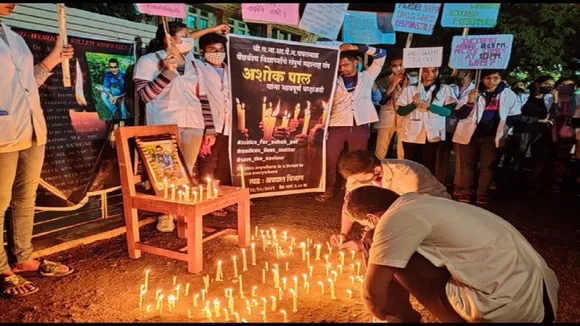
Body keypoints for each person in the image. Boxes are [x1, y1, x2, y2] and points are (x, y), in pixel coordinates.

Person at [346, 186, 559, 323]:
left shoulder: (395, 218)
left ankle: (398, 318)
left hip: (504, 308)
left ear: (372, 217)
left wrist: (377, 312)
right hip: (541, 301)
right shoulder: (423, 202)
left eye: (365, 224)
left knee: (374, 241)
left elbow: (371, 293)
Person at [1, 3, 75, 297]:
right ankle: (2, 268)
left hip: (31, 127)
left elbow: (27, 81)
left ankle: (23, 258)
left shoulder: (13, 36)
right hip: (3, 132)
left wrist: (54, 59)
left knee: (24, 196)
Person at [133, 22, 228, 232]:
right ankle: (165, 215)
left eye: (189, 35)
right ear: (169, 39)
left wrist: (209, 129)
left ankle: (183, 214)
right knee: (166, 173)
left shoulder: (193, 63)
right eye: (184, 35)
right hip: (164, 124)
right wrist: (167, 72)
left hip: (194, 124)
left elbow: (202, 97)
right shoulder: (148, 61)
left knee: (185, 172)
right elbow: (145, 95)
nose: (189, 39)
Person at [329, 150, 450, 251]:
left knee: (409, 240)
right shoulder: (356, 178)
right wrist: (343, 234)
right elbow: (350, 206)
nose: (355, 182)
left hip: (427, 208)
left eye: (359, 179)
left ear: (376, 170)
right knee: (361, 209)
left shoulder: (406, 173)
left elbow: (404, 214)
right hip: (395, 207)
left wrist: (367, 243)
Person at [315, 44, 386, 202]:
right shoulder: (333, 80)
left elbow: (382, 54)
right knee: (330, 159)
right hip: (336, 124)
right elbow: (327, 104)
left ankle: (355, 191)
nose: (343, 68)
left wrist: (358, 47)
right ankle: (328, 188)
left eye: (346, 64)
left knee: (358, 161)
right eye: (340, 66)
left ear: (356, 62)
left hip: (360, 125)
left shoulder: (367, 77)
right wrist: (324, 126)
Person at [453, 70, 521, 205]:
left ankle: (482, 193)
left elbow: (514, 115)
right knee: (467, 165)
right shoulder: (472, 92)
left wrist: (505, 128)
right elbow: (460, 114)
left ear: (501, 79)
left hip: (492, 137)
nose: (491, 81)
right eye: (488, 78)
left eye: (495, 78)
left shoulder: (508, 95)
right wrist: (470, 102)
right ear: (482, 79)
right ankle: (466, 191)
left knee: (488, 166)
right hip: (470, 135)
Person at [396, 67, 457, 174]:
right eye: (425, 71)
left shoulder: (445, 89)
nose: (430, 74)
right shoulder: (409, 89)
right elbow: (401, 112)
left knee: (428, 165)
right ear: (420, 72)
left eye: (433, 70)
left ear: (438, 71)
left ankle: (426, 189)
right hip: (411, 134)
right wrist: (413, 104)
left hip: (432, 134)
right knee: (410, 165)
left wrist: (429, 106)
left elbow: (448, 112)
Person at [511, 76, 559, 195]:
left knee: (539, 159)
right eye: (547, 84)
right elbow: (516, 115)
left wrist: (556, 99)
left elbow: (555, 115)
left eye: (552, 85)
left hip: (542, 133)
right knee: (520, 156)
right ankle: (515, 183)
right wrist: (536, 120)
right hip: (524, 131)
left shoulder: (549, 99)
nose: (549, 87)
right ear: (538, 84)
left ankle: (533, 184)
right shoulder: (523, 97)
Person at [436, 69, 475, 188]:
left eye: (457, 71)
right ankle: (438, 182)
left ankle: (459, 184)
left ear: (465, 73)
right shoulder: (449, 87)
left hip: (462, 127)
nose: (454, 73)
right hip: (446, 126)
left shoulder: (475, 90)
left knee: (460, 159)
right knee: (441, 156)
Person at [374, 54, 417, 160]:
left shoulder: (415, 81)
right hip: (387, 118)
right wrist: (393, 83)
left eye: (401, 65)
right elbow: (381, 101)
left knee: (402, 152)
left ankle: (401, 173)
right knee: (381, 150)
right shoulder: (382, 81)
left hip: (405, 119)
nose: (398, 68)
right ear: (391, 66)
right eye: (395, 65)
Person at [552, 77, 578, 193]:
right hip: (551, 130)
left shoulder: (576, 99)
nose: (569, 87)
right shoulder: (550, 98)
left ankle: (558, 181)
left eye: (572, 85)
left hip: (568, 133)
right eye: (566, 85)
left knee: (563, 158)